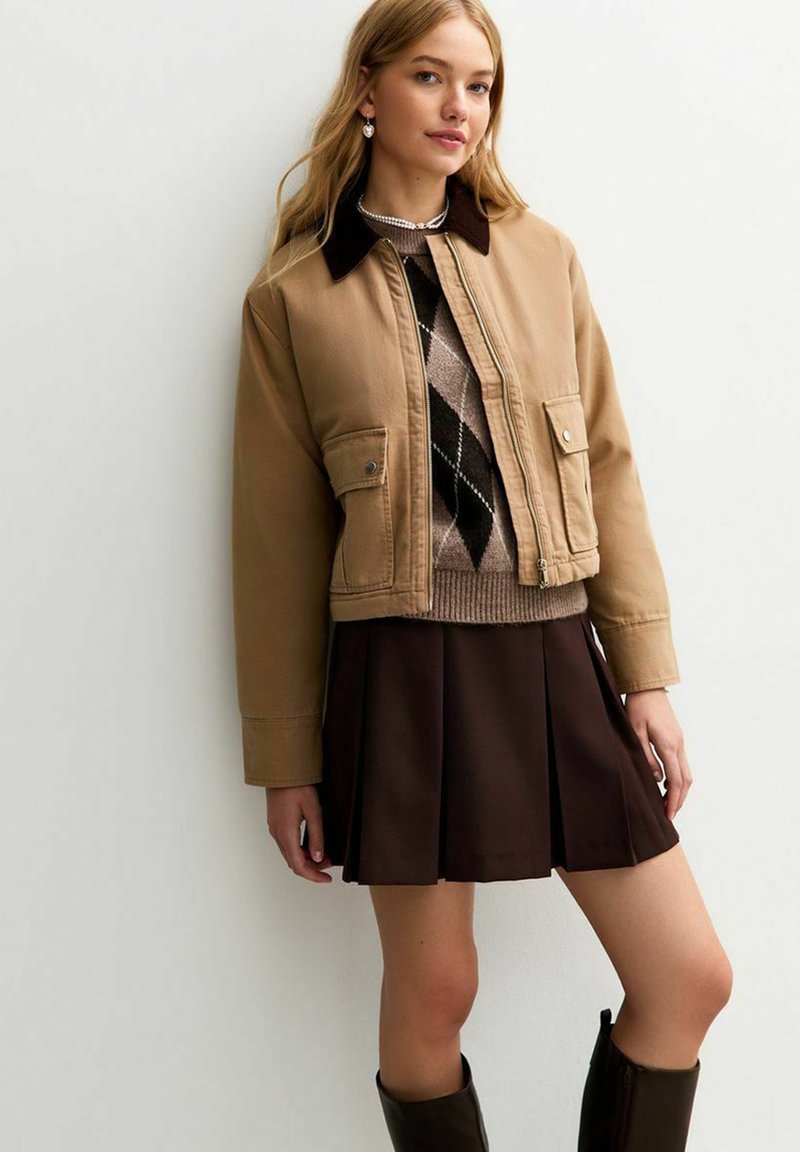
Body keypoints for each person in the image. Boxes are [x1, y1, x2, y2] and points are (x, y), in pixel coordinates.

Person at [230, 1, 733, 1148]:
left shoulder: (540, 257)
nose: (460, 107)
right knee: (436, 990)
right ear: (367, 90)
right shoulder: (292, 298)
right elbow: (273, 548)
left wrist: (643, 674)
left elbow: (606, 465)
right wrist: (285, 757)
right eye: (429, 76)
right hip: (401, 666)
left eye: (480, 84)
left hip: (555, 654)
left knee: (687, 978)